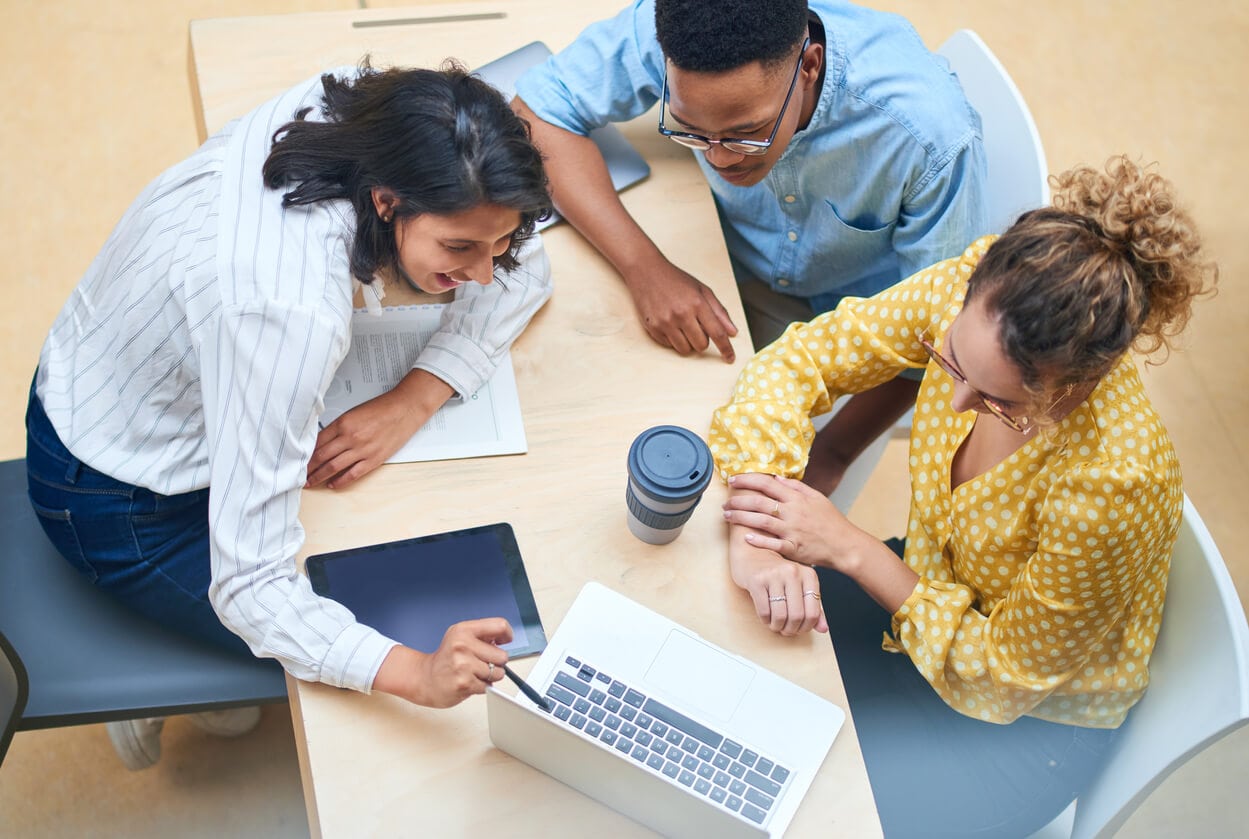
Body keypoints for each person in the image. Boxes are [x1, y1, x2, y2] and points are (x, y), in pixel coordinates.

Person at [25, 61, 553, 768]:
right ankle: (173, 678)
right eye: (460, 249)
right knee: (380, 633)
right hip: (113, 501)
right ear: (388, 202)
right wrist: (417, 675)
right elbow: (249, 586)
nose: (487, 272)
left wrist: (415, 396)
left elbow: (532, 266)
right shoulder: (286, 312)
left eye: (497, 244)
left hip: (103, 373)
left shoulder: (363, 108)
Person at [711, 156, 1216, 837]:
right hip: (921, 595)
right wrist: (762, 516)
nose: (952, 401)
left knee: (797, 811)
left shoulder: (1116, 480)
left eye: (997, 401)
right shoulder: (974, 287)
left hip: (1014, 730)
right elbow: (799, 361)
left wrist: (853, 550)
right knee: (718, 656)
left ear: (1073, 387)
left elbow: (1006, 675)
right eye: (949, 360)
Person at [514, 0, 987, 489]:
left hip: (852, 325)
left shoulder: (929, 136)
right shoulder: (676, 30)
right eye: (691, 130)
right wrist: (645, 268)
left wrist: (835, 453)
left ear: (809, 66)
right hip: (723, 264)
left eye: (747, 133)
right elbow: (535, 111)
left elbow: (939, 337)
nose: (719, 157)